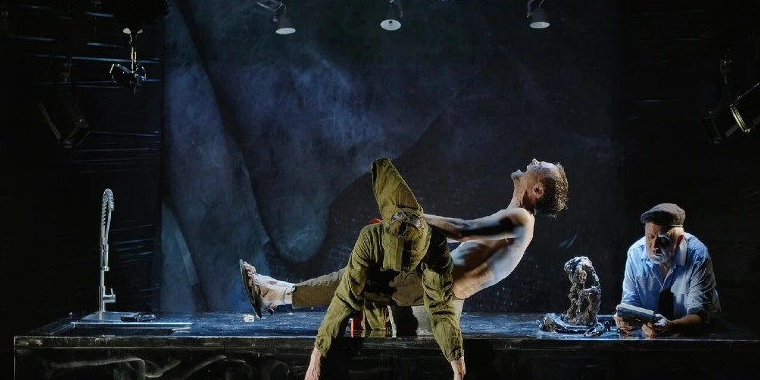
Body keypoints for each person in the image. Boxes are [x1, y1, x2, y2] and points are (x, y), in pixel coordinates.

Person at [239, 158, 568, 319]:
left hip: (436, 287)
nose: (533, 161)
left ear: (537, 189)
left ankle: (273, 295)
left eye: (539, 166)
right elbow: (459, 240)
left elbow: (461, 230)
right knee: (357, 278)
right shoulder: (516, 220)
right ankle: (275, 292)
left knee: (355, 279)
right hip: (435, 283)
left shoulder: (521, 220)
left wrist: (409, 218)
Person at [298, 157, 471, 380]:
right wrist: (316, 356)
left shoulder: (435, 245)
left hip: (416, 298)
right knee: (340, 281)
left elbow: (440, 308)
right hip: (373, 296)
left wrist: (458, 370)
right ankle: (280, 294)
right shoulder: (370, 239)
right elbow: (345, 297)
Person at [613, 202, 720, 338]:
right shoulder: (635, 254)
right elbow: (630, 304)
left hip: (698, 333)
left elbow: (700, 315)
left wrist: (671, 326)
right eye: (650, 236)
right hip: (651, 335)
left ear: (679, 240)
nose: (654, 246)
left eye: (663, 240)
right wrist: (624, 318)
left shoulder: (697, 255)